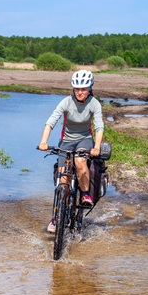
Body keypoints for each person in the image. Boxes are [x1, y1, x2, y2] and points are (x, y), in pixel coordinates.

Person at [38, 69, 104, 234]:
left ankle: (85, 195)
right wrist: (44, 141)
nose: (80, 92)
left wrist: (96, 147)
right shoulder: (66, 102)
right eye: (77, 89)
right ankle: (56, 216)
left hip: (85, 139)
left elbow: (99, 126)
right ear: (73, 89)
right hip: (66, 141)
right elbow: (51, 121)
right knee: (63, 180)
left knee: (80, 161)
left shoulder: (94, 103)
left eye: (83, 89)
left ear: (89, 88)